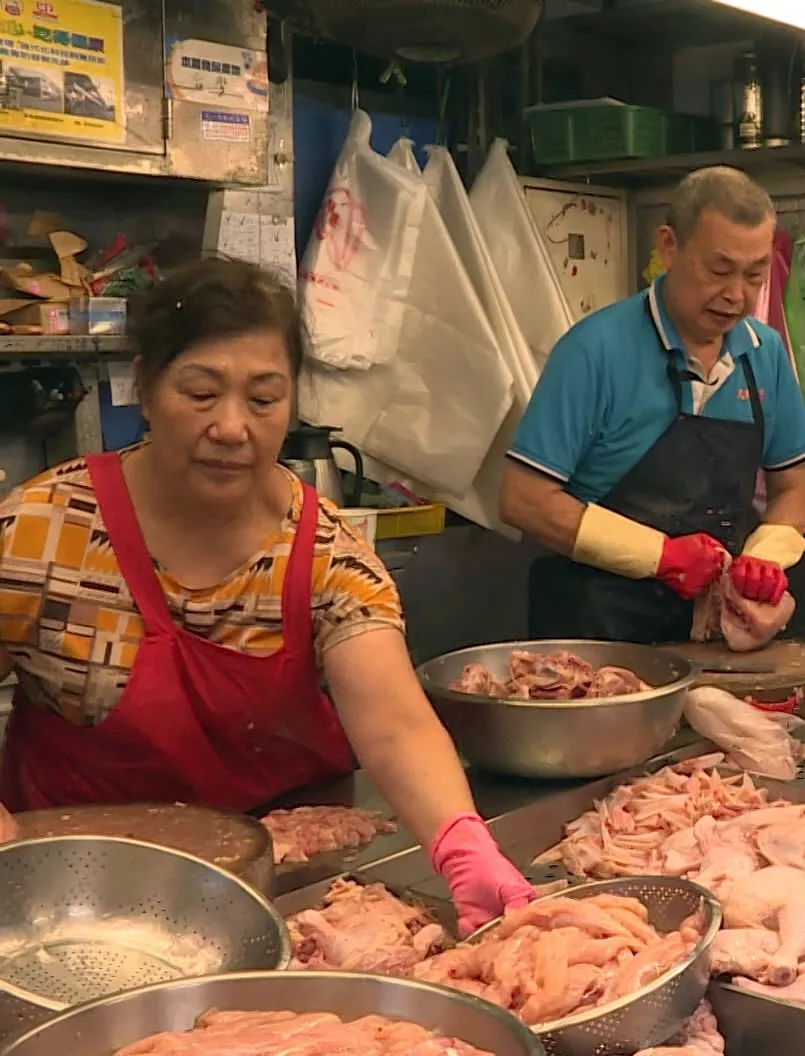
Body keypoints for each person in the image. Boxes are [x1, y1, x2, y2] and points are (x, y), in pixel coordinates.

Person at [0, 259, 532, 933]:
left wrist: (462, 846)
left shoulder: (324, 554)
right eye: (200, 393)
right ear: (146, 385)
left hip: (282, 893)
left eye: (262, 399)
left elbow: (395, 724)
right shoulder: (40, 532)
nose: (231, 427)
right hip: (67, 901)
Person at [501, 167, 805, 642]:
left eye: (755, 275)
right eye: (719, 270)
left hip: (713, 635)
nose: (737, 296)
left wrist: (765, 556)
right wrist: (662, 557)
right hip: (597, 632)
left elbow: (794, 488)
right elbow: (524, 500)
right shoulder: (594, 351)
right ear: (668, 246)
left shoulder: (764, 352)